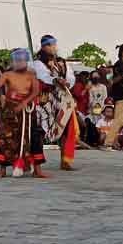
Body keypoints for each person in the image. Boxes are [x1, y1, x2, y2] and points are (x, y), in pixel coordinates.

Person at [0, 49, 45, 179]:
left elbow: (36, 91)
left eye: (22, 60)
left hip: (28, 111)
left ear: (26, 61)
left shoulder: (31, 74)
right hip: (10, 109)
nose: (19, 63)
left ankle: (37, 169)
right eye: (17, 60)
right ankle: (2, 170)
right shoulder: (7, 75)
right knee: (5, 137)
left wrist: (25, 102)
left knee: (33, 137)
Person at [32, 35, 78, 170]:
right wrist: (55, 80)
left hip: (62, 100)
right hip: (45, 100)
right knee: (40, 130)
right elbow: (42, 75)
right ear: (44, 47)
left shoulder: (62, 62)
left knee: (65, 129)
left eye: (54, 45)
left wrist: (68, 82)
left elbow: (70, 76)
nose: (54, 48)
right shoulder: (37, 63)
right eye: (51, 45)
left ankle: (65, 161)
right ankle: (37, 162)